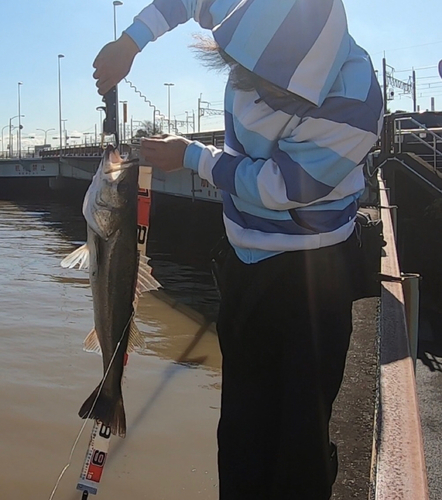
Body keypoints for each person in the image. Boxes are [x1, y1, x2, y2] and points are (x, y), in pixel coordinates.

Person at [93, 1, 383, 498]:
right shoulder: (259, 9)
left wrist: (194, 157)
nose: (246, 86)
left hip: (313, 275)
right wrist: (131, 41)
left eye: (260, 78)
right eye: (237, 66)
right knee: (241, 431)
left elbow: (280, 187)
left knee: (300, 438)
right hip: (242, 264)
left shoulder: (356, 97)